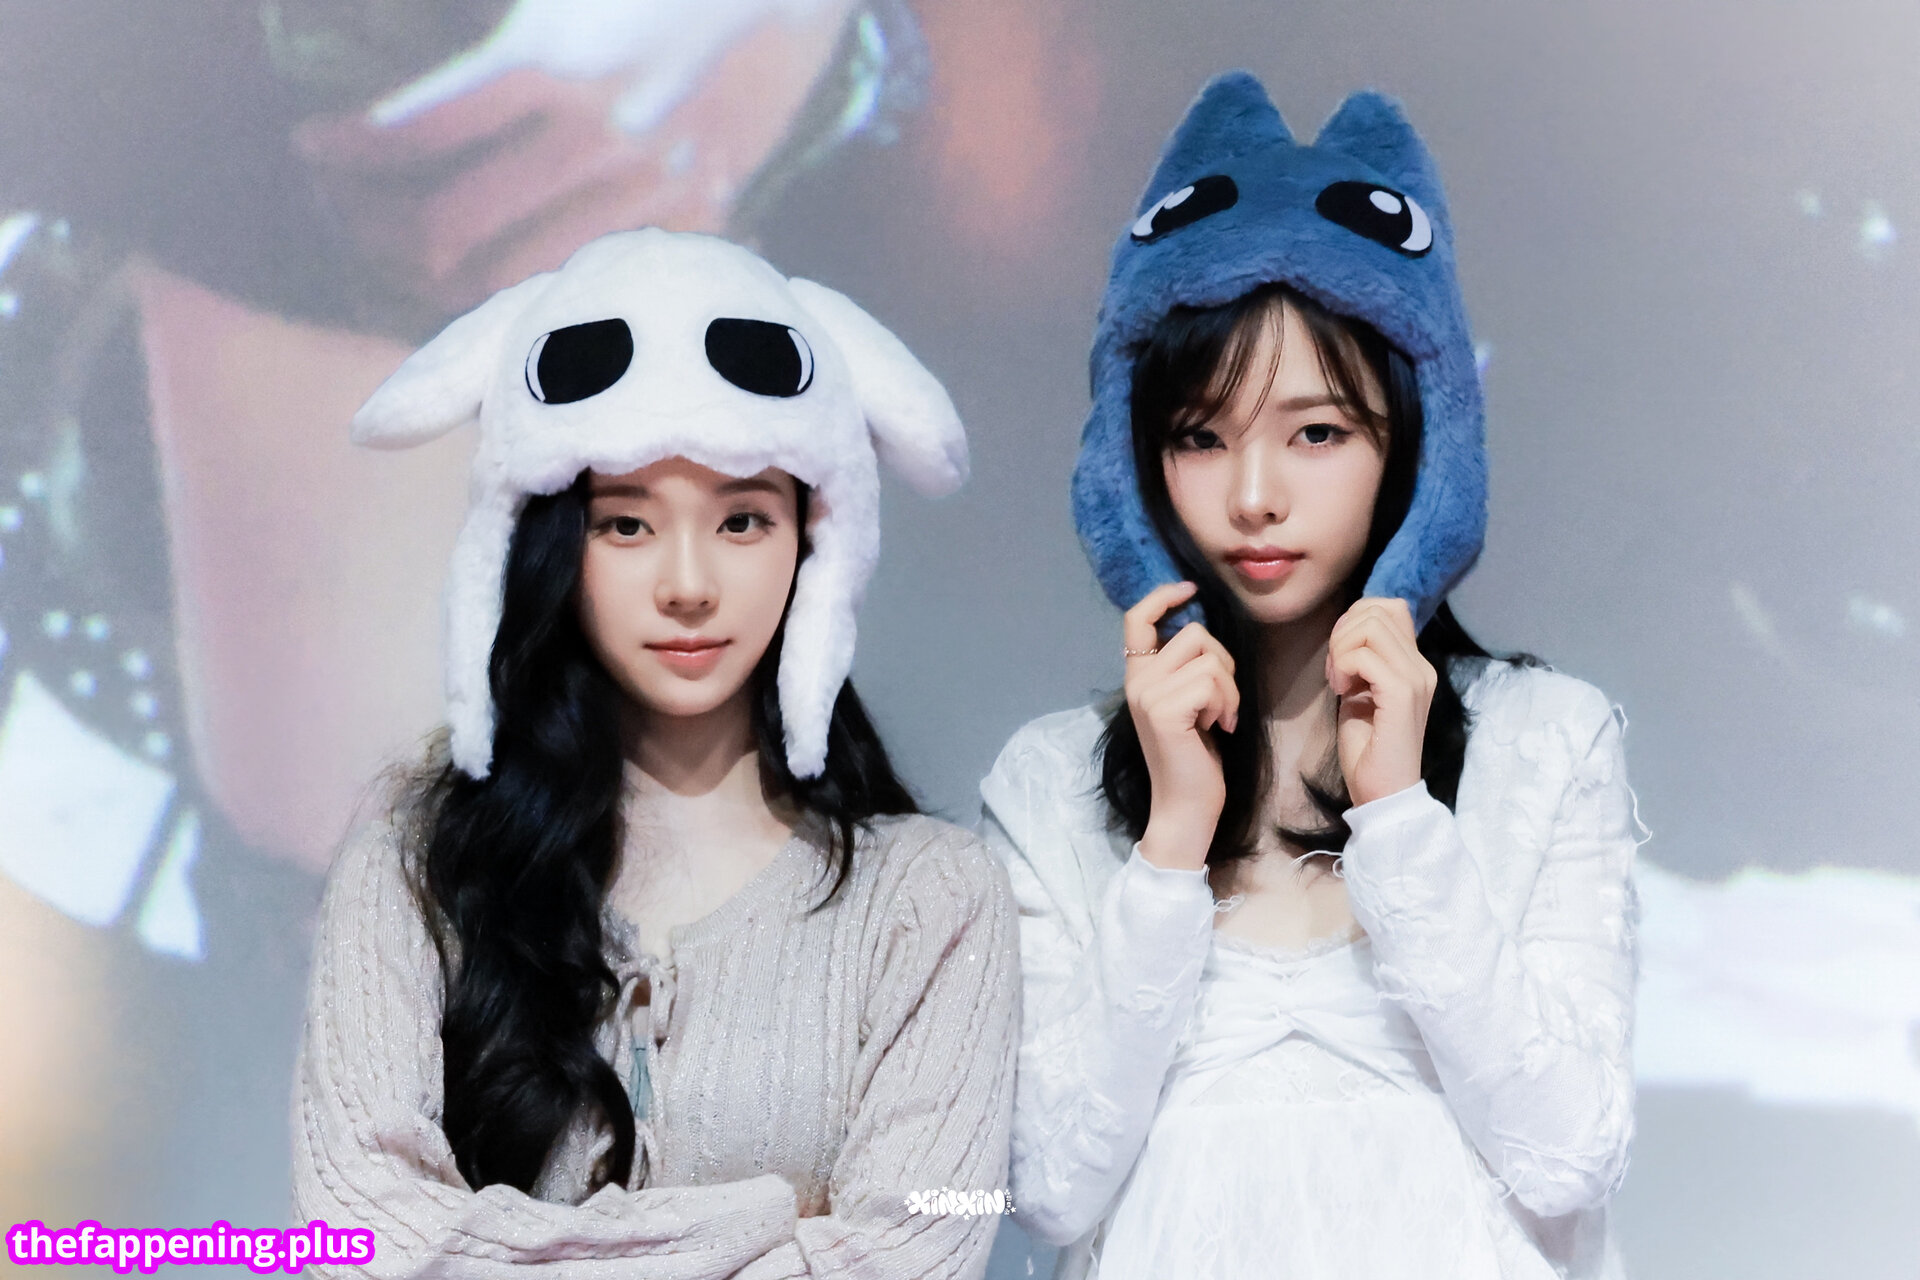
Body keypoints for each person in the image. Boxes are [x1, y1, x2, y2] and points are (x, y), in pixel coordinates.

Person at [979, 73, 1644, 1279]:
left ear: (1418, 440)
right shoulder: (1049, 781)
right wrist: (1171, 841)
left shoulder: (1547, 740)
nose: (1253, 496)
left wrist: (1402, 818)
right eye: (1200, 436)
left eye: (1317, 432)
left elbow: (1568, 1153)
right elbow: (1049, 1190)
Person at [291, 228, 1017, 1277]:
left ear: (816, 542)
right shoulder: (416, 866)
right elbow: (355, 1233)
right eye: (627, 525)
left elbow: (931, 1232)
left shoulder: (931, 898)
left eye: (742, 522)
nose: (688, 584)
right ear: (548, 542)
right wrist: (754, 1229)